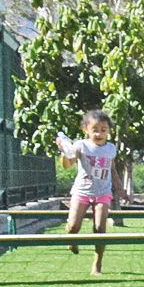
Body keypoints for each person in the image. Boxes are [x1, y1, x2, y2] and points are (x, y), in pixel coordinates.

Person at [55, 110, 116, 276]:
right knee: (74, 226)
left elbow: (112, 169)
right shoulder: (81, 145)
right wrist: (63, 152)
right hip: (82, 191)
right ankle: (72, 239)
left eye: (103, 130)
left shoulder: (111, 148)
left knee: (99, 228)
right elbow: (67, 164)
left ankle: (97, 265)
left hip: (103, 192)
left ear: (109, 131)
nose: (99, 133)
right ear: (86, 130)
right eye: (95, 129)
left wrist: (121, 189)